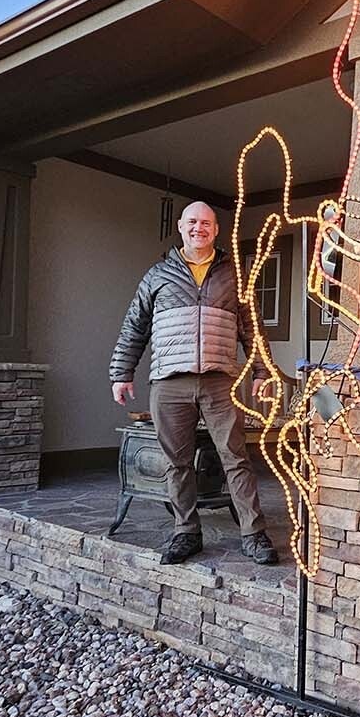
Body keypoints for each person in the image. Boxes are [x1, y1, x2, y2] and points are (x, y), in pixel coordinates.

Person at [109, 202, 278, 566]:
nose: (198, 228)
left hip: (221, 382)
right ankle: (186, 532)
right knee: (177, 462)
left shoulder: (235, 275)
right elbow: (134, 327)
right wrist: (121, 373)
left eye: (206, 223)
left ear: (216, 230)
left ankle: (253, 533)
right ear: (181, 227)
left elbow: (253, 329)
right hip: (171, 382)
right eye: (192, 222)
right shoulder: (157, 275)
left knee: (236, 458)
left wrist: (263, 371)